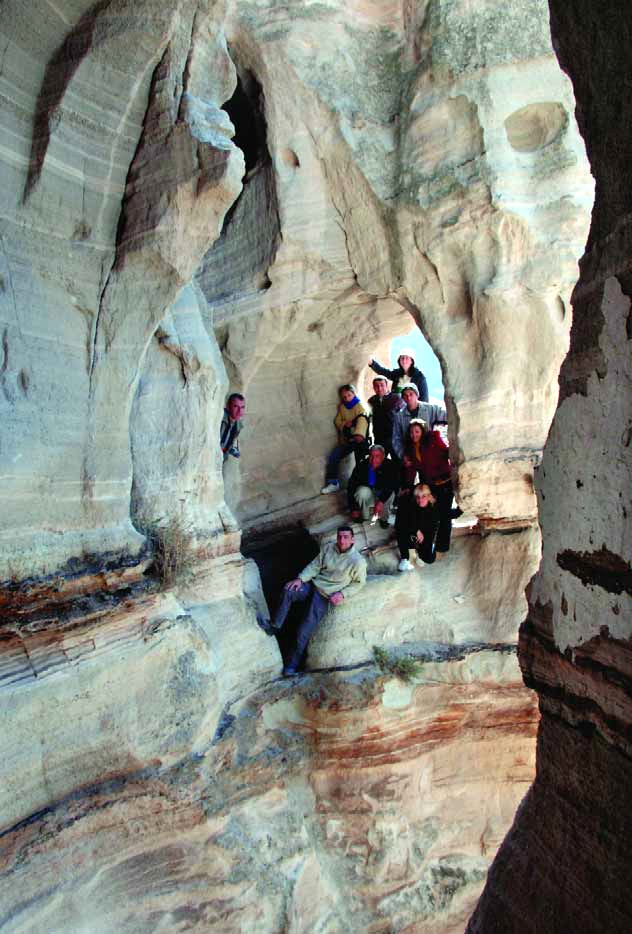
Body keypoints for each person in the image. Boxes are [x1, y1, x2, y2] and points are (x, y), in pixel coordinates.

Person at [267, 526, 367, 676]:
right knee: (289, 590)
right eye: (340, 536)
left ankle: (290, 667)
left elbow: (359, 583)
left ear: (353, 539)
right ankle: (275, 625)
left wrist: (342, 594)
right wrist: (300, 579)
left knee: (303, 632)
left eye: (346, 537)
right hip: (312, 585)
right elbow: (315, 566)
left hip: (324, 597)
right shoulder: (329, 548)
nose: (342, 540)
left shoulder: (357, 561)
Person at [398, 417, 455, 556]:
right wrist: (408, 486)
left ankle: (442, 547)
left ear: (422, 431)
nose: (414, 435)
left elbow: (446, 451)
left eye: (417, 431)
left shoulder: (433, 439)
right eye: (411, 432)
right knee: (433, 514)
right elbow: (412, 470)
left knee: (445, 514)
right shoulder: (411, 448)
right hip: (430, 485)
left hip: (445, 482)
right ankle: (428, 545)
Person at [321, 384, 370, 494]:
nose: (347, 398)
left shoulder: (360, 406)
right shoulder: (343, 407)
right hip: (347, 440)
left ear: (354, 394)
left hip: (359, 440)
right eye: (344, 397)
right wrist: (344, 424)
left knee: (361, 462)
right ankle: (333, 483)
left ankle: (362, 485)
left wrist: (358, 434)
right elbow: (337, 421)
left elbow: (363, 420)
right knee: (334, 456)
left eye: (349, 395)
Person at [391, 383, 447, 461]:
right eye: (405, 395)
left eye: (411, 394)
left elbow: (447, 416)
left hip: (429, 452)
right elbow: (396, 438)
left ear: (417, 395)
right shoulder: (399, 416)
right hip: (411, 454)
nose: (409, 397)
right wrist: (403, 455)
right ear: (402, 398)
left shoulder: (430, 409)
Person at [347, 444, 398, 523]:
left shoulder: (390, 465)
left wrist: (381, 502)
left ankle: (383, 519)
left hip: (383, 494)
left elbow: (391, 486)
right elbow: (351, 486)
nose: (374, 459)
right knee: (361, 492)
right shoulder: (362, 466)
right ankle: (365, 516)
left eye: (377, 456)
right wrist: (353, 508)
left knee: (391, 495)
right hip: (370, 493)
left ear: (383, 456)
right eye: (371, 456)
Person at [395, 483, 440, 571]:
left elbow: (434, 527)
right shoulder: (411, 504)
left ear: (429, 496)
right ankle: (405, 558)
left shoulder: (434, 507)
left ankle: (419, 553)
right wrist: (416, 531)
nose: (420, 500)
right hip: (412, 531)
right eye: (418, 497)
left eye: (423, 496)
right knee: (401, 529)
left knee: (429, 559)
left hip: (425, 534)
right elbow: (402, 522)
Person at [367, 375, 405, 456]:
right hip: (379, 437)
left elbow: (403, 417)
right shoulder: (372, 401)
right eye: (376, 386)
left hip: (394, 438)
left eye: (382, 385)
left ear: (387, 386)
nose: (379, 388)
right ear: (373, 387)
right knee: (380, 462)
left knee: (397, 462)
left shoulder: (396, 399)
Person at [220, 392, 246, 460]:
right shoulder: (220, 418)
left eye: (242, 407)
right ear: (228, 406)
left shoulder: (238, 425)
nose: (240, 411)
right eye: (236, 406)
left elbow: (227, 443)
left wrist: (231, 450)